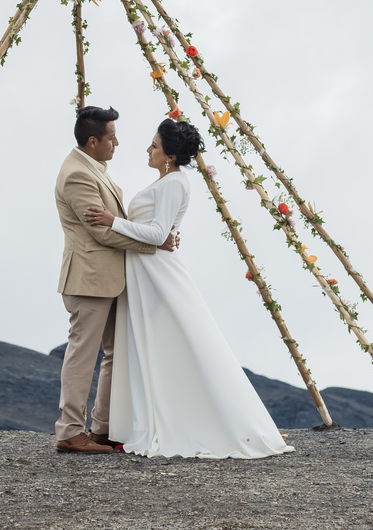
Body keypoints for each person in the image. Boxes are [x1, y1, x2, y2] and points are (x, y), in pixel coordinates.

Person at [84, 119, 295, 459]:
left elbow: (156, 234)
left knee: (173, 342)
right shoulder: (168, 181)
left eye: (154, 146)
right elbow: (158, 232)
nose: (148, 150)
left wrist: (113, 222)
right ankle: (146, 421)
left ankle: (182, 423)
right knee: (153, 346)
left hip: (157, 273)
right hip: (145, 271)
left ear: (169, 154)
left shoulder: (174, 183)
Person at [53, 106, 178, 454]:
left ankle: (102, 428)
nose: (117, 143)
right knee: (83, 354)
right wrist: (154, 243)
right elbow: (101, 233)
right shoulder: (77, 174)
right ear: (93, 141)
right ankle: (70, 432)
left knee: (115, 352)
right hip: (89, 278)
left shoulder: (94, 166)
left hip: (108, 278)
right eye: (111, 137)